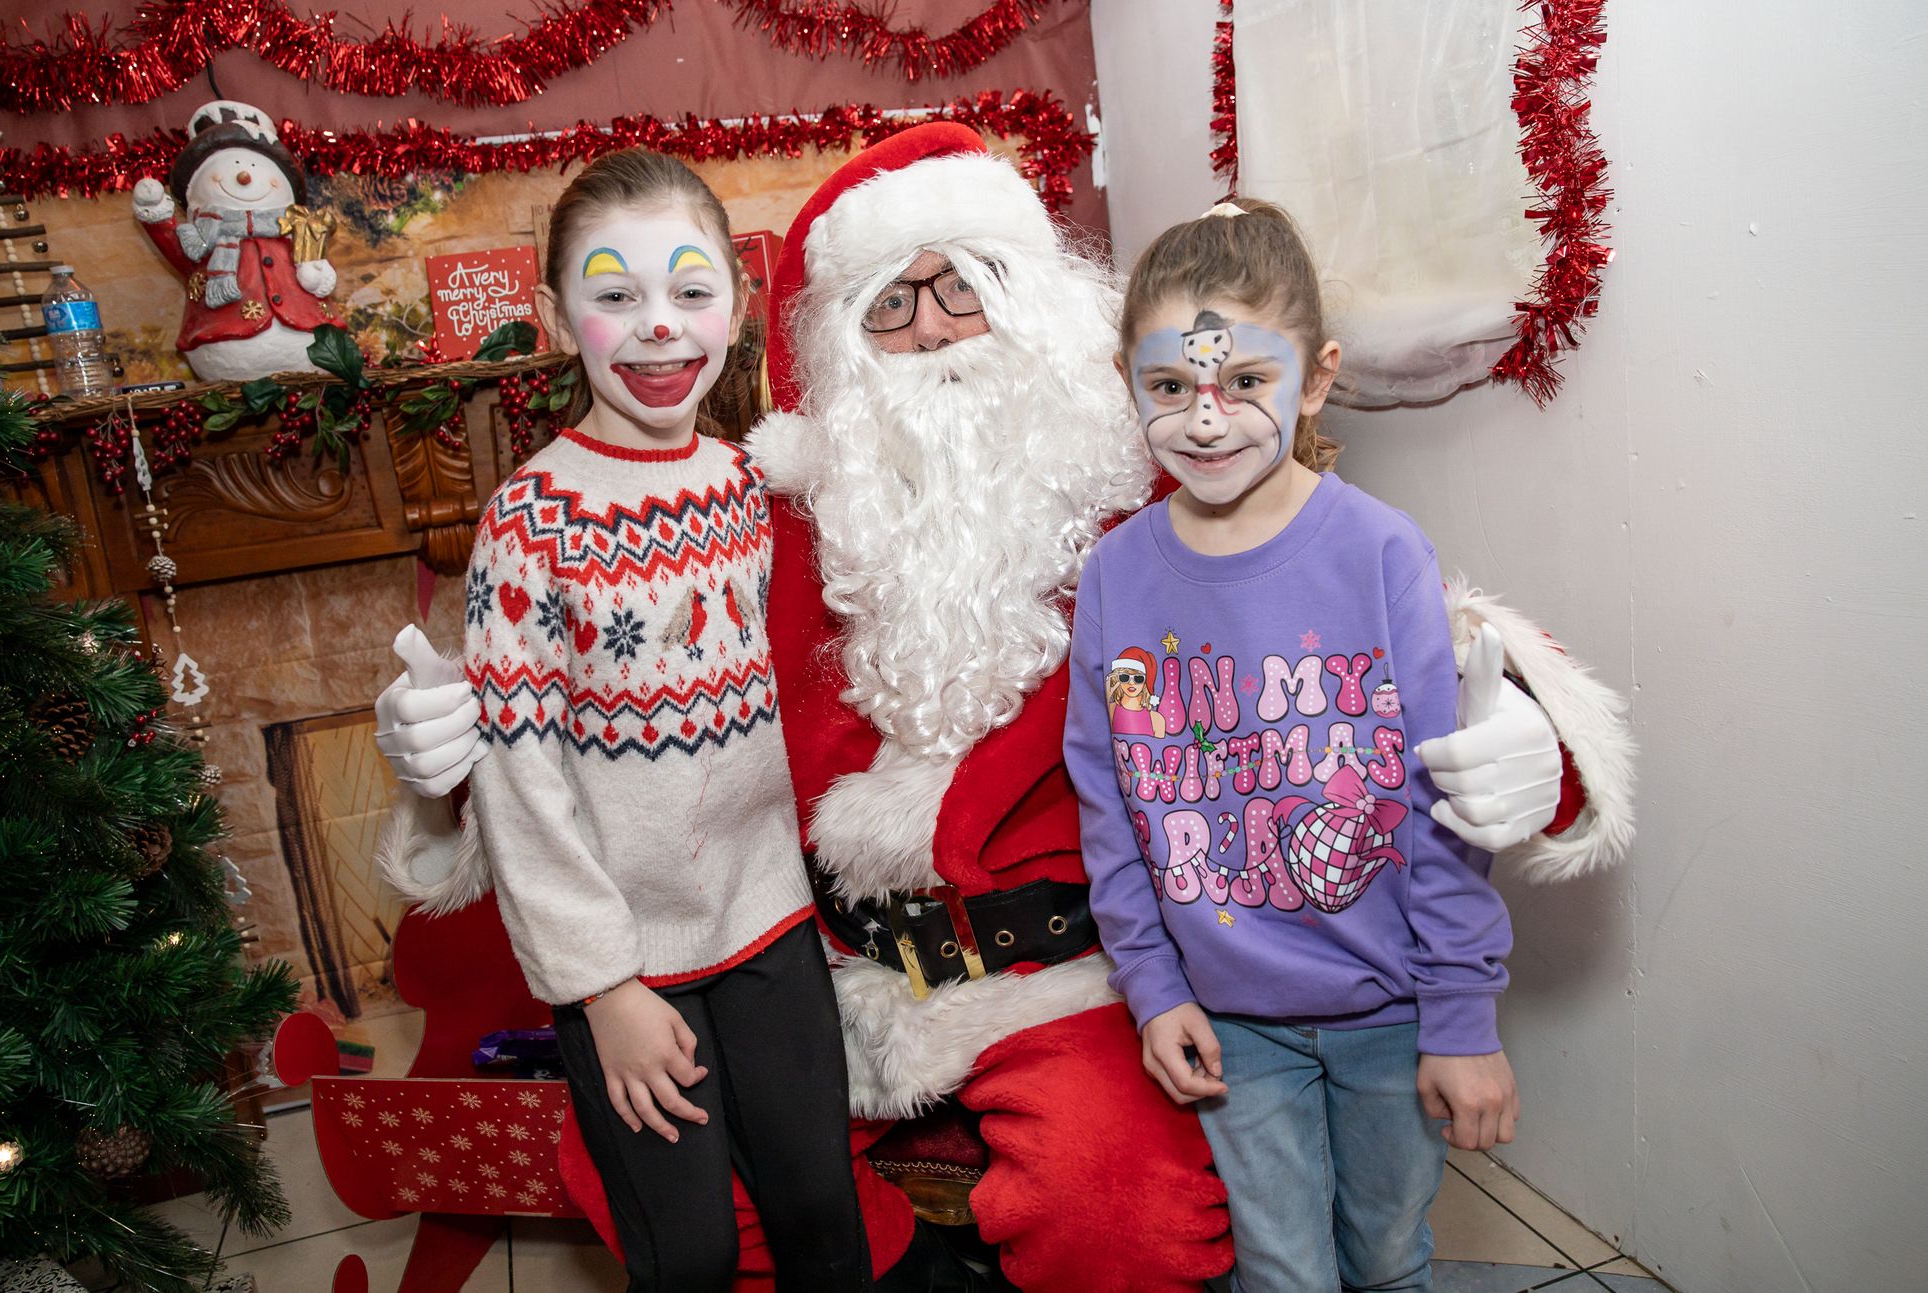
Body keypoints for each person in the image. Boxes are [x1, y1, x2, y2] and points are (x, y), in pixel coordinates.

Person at [376, 124, 1635, 1291]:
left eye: (961, 285)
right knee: (642, 1172)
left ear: (1034, 305)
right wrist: (447, 780)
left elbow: (1386, 643)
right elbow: (609, 721)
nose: (930, 331)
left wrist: (1535, 738)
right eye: (890, 305)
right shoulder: (768, 521)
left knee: (1123, 1214)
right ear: (832, 347)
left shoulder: (1151, 488)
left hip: (1072, 974)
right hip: (820, 971)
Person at [1066, 197, 1523, 1293]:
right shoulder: (1114, 577)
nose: (1206, 421)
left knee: (1383, 1255)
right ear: (1126, 382)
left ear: (1312, 379)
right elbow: (1109, 804)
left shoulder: (1378, 553)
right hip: (1231, 1026)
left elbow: (1442, 802)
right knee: (1279, 1270)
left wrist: (1459, 1015)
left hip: (1390, 1013)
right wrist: (1151, 986)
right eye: (1169, 387)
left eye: (1245, 384)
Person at [456, 149, 870, 1291]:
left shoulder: (755, 493)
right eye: (613, 294)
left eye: (690, 293)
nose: (657, 330)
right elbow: (517, 780)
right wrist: (604, 989)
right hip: (627, 962)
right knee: (685, 1254)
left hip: (771, 928)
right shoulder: (530, 522)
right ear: (555, 316)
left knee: (820, 1217)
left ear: (737, 302)